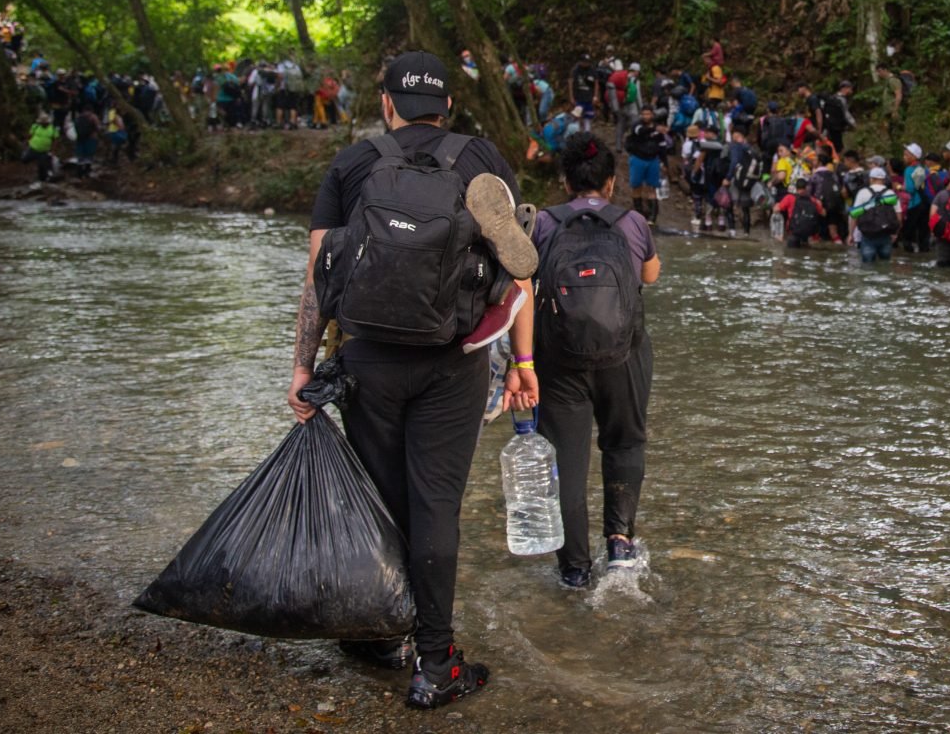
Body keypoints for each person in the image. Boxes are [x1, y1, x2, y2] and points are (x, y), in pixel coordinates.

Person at [286, 51, 541, 709]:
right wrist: (523, 364)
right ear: (448, 107)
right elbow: (519, 281)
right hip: (452, 359)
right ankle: (435, 663)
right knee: (435, 506)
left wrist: (303, 366)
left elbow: (319, 271)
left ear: (388, 104)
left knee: (382, 498)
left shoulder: (354, 163)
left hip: (367, 355)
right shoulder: (481, 158)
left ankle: (382, 633)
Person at [533, 131, 660, 590]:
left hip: (559, 357)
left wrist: (519, 363)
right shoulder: (631, 222)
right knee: (625, 443)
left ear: (565, 179)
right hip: (623, 352)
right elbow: (650, 275)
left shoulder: (543, 223)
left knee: (566, 460)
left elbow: (525, 289)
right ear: (610, 182)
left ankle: (574, 568)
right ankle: (620, 544)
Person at [625, 105, 670, 224]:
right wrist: (655, 128)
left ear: (652, 115)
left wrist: (665, 163)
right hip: (638, 158)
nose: (646, 116)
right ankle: (639, 213)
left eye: (648, 114)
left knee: (652, 188)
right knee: (636, 186)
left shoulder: (658, 130)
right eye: (644, 114)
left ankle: (652, 217)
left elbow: (662, 147)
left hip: (653, 160)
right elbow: (640, 132)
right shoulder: (637, 125)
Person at [849, 166, 902, 263]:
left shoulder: (862, 193)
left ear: (871, 179)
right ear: (883, 179)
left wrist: (851, 234)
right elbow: (899, 217)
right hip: (886, 235)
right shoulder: (891, 194)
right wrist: (895, 233)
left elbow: (854, 215)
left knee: (867, 267)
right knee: (885, 264)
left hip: (867, 235)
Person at [773, 176, 824, 248]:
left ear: (796, 188)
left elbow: (776, 209)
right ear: (806, 188)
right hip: (809, 234)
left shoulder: (790, 198)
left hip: (794, 233)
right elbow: (823, 213)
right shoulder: (813, 200)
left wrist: (776, 205)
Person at [900, 143, 930, 253]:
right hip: (924, 203)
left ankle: (908, 257)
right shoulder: (921, 168)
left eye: (906, 155)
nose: (904, 157)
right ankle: (923, 252)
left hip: (914, 204)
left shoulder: (909, 170)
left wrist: (899, 187)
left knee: (907, 234)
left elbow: (910, 189)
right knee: (923, 233)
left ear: (913, 156)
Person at [22, 112, 57, 182]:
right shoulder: (35, 126)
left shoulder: (52, 129)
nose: (43, 124)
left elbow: (55, 140)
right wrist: (27, 142)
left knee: (42, 167)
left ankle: (43, 178)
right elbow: (29, 135)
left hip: (44, 151)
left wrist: (53, 150)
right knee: (24, 159)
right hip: (33, 148)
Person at [819, 81, 855, 151]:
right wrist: (853, 123)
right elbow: (845, 113)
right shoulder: (841, 99)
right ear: (844, 88)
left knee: (829, 145)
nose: (851, 91)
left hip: (828, 127)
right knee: (838, 147)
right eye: (850, 88)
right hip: (836, 127)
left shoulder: (833, 98)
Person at [568, 57, 598, 130]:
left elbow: (596, 83)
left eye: (587, 62)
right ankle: (576, 132)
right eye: (584, 62)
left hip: (589, 97)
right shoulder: (575, 70)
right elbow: (570, 83)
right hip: (578, 97)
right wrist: (571, 97)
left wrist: (595, 96)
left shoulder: (592, 70)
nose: (586, 63)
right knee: (577, 116)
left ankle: (587, 133)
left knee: (587, 117)